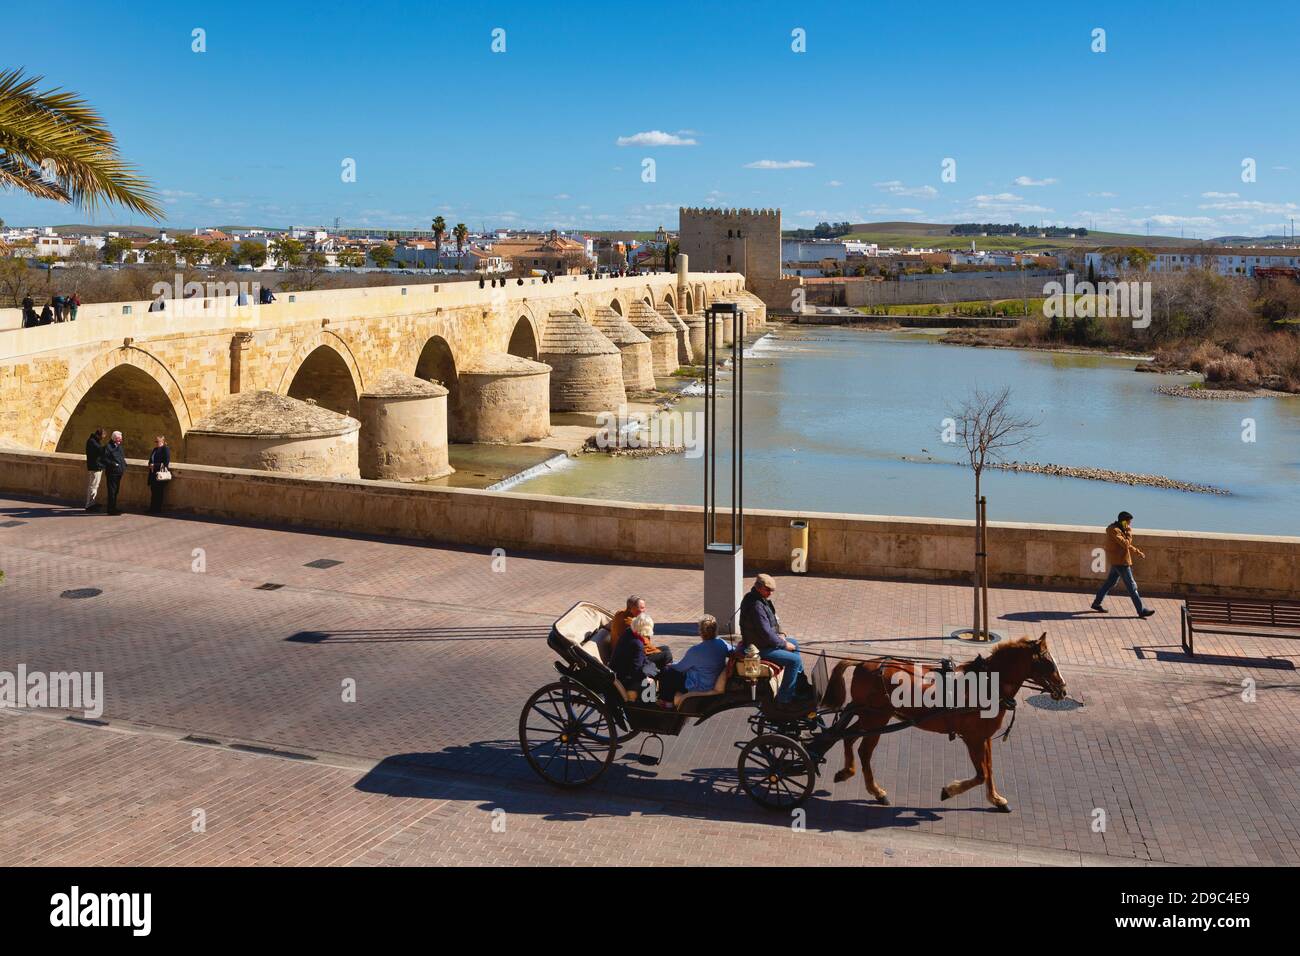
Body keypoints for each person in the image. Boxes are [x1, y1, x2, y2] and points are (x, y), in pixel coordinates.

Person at [739, 573, 808, 705]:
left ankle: (799, 684)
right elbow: (765, 633)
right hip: (758, 649)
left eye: (772, 590)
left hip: (765, 642)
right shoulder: (755, 605)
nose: (770, 593)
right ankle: (785, 698)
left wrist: (781, 634)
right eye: (768, 590)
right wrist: (783, 644)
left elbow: (772, 624)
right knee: (795, 660)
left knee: (794, 643)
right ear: (758, 587)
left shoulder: (759, 599)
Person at [657, 614, 733, 707]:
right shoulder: (722, 644)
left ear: (700, 632)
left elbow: (680, 667)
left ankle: (667, 701)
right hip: (714, 680)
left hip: (699, 685)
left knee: (667, 671)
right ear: (716, 630)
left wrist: (670, 665)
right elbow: (734, 650)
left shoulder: (695, 650)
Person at [1091, 511, 1155, 618]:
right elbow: (1125, 543)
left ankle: (1096, 603)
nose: (1130, 525)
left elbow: (1126, 544)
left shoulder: (1119, 529)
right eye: (1128, 522)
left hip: (1118, 560)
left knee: (1110, 583)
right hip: (1120, 562)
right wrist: (1129, 531)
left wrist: (1137, 551)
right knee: (1132, 586)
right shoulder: (1115, 530)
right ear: (1124, 522)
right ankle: (1141, 610)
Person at [611, 612, 671, 700]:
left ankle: (663, 689)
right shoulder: (637, 644)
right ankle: (663, 695)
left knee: (665, 653)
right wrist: (646, 677)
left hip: (625, 668)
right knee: (666, 658)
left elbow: (638, 660)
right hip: (626, 678)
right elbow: (636, 670)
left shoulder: (629, 632)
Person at [100, 430, 127, 515]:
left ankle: (113, 507)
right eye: (119, 439)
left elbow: (121, 458)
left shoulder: (119, 447)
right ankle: (111, 509)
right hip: (112, 472)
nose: (120, 440)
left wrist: (124, 465)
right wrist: (114, 464)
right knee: (112, 491)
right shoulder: (108, 447)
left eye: (121, 439)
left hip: (119, 472)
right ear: (114, 438)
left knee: (116, 491)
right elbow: (104, 459)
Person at [146, 435, 171, 514]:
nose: (156, 443)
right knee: (153, 492)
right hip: (153, 473)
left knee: (159, 492)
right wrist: (150, 464)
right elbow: (151, 459)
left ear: (162, 441)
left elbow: (166, 463)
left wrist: (155, 465)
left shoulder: (165, 449)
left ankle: (157, 509)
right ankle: (152, 508)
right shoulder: (155, 449)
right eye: (155, 441)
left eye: (157, 441)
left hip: (160, 474)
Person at [84, 428, 107, 511]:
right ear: (98, 435)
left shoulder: (94, 441)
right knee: (93, 486)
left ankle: (92, 503)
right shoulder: (92, 442)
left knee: (94, 485)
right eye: (102, 437)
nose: (102, 438)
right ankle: (89, 505)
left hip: (96, 466)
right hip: (95, 467)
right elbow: (100, 450)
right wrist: (108, 447)